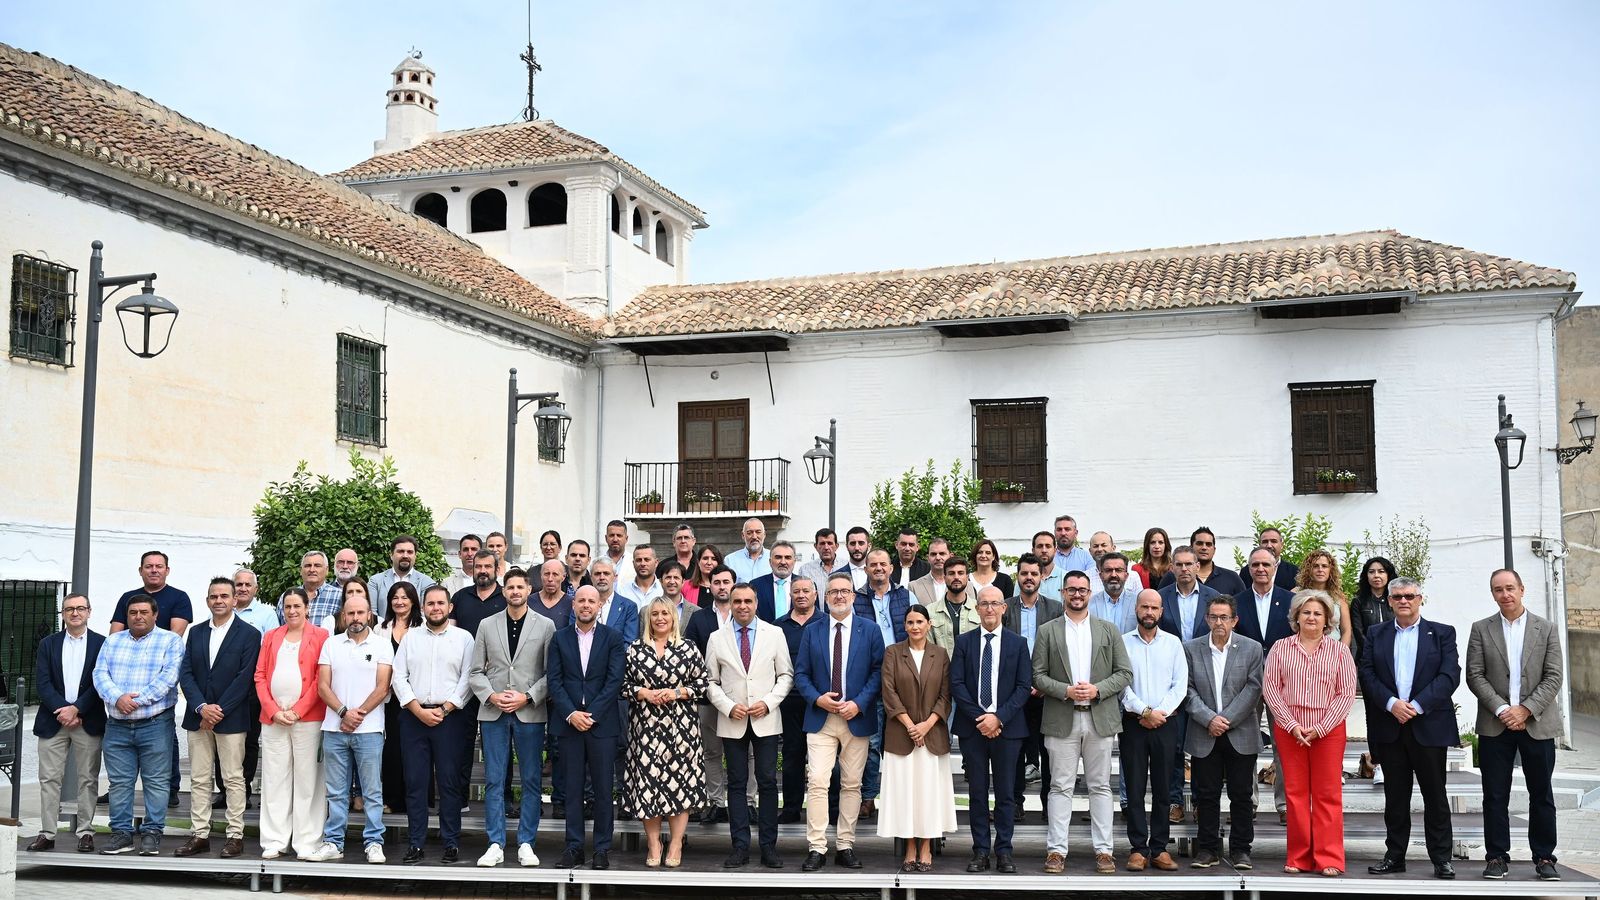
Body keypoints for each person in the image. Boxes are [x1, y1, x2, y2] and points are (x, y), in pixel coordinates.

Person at [1466, 568, 1564, 882]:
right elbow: (1475, 675)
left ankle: (1545, 857)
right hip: (1495, 724)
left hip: (1537, 723)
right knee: (1495, 795)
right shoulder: (1481, 629)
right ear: (1492, 594)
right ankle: (1496, 857)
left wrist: (1525, 710)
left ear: (1522, 589)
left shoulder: (1546, 628)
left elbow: (1554, 676)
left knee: (1541, 793)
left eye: (1510, 588)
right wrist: (1502, 709)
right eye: (1498, 589)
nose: (1505, 594)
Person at [1360, 577, 1459, 880]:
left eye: (1409, 596)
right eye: (1398, 596)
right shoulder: (1376, 633)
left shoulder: (1442, 633)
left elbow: (1449, 675)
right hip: (1390, 726)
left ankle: (1441, 859)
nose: (1404, 601)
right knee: (1395, 797)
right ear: (1389, 601)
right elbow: (1366, 673)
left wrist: (1416, 705)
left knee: (1435, 795)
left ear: (1420, 599)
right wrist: (1392, 704)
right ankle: (1395, 856)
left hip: (1428, 726)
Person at [1033, 570, 1132, 875]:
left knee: (1100, 786)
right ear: (1063, 593)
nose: (1077, 594)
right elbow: (1037, 676)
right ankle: (1056, 851)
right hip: (1061, 717)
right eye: (1072, 589)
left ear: (1090, 593)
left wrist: (1097, 689)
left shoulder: (1108, 630)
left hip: (1099, 717)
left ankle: (1104, 851)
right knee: (1059, 786)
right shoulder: (1047, 630)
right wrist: (1065, 690)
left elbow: (1124, 673)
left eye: (1082, 590)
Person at [1262, 589, 1356, 877]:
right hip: (1290, 731)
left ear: (1327, 619)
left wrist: (1321, 727)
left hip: (1328, 731)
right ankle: (1299, 856)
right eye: (1306, 612)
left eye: (1317, 613)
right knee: (1295, 795)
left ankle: (1329, 858)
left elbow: (1346, 693)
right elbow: (1271, 689)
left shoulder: (1339, 651)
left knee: (1328, 794)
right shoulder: (1280, 648)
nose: (1312, 617)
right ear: (1297, 617)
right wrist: (1292, 725)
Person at [795, 572, 885, 872]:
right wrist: (817, 698)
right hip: (821, 718)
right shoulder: (813, 631)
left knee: (851, 784)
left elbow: (878, 672)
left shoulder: (870, 630)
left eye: (845, 591)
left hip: (855, 718)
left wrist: (858, 703)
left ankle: (845, 845)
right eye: (833, 591)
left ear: (854, 596)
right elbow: (801, 674)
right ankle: (817, 847)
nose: (839, 596)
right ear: (825, 597)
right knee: (818, 781)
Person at [470, 566, 556, 868]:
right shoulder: (486, 625)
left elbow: (551, 673)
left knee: (531, 780)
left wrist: (528, 696)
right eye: (511, 587)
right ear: (503, 591)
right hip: (493, 711)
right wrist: (492, 696)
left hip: (529, 711)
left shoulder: (545, 625)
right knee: (494, 780)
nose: (516, 591)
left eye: (521, 587)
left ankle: (526, 843)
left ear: (529, 590)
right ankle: (495, 843)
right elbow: (475, 672)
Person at [705, 584, 792, 869]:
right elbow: (710, 681)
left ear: (756, 603)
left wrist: (768, 702)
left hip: (765, 718)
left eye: (748, 601)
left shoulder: (774, 634)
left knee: (767, 782)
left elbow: (785, 675)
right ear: (730, 604)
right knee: (737, 783)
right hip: (733, 720)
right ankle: (740, 847)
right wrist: (728, 706)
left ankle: (768, 847)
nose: (742, 606)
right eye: (737, 601)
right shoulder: (717, 638)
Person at [304, 590, 393, 864]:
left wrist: (358, 714)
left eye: (360, 612)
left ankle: (374, 842)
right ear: (343, 616)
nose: (356, 617)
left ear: (369, 616)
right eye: (350, 613)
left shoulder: (382, 645)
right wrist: (344, 712)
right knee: (336, 792)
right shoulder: (331, 644)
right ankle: (334, 842)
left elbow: (383, 687)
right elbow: (322, 686)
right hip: (335, 728)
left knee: (372, 791)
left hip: (369, 730)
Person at [175, 576, 261, 859]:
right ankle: (199, 834)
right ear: (207, 600)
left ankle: (235, 836)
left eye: (224, 596)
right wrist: (201, 707)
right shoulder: (196, 632)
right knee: (199, 779)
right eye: (214, 596)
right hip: (198, 718)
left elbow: (244, 679)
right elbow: (186, 673)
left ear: (235, 599)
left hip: (231, 718)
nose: (219, 601)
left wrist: (217, 711)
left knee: (234, 778)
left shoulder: (249, 634)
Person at [94, 592, 184, 855]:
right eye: (133, 613)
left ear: (155, 615)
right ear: (127, 616)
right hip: (117, 725)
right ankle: (121, 834)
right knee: (119, 783)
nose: (138, 617)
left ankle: (152, 833)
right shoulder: (113, 641)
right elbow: (99, 674)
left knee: (156, 782)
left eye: (144, 612)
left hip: (155, 724)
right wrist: (117, 698)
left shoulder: (170, 641)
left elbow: (169, 677)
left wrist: (136, 701)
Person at [619, 596, 706, 868]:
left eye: (665, 614)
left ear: (673, 618)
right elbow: (621, 684)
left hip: (681, 729)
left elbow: (703, 683)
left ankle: (676, 843)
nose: (660, 618)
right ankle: (654, 843)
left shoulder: (688, 648)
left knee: (679, 785)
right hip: (645, 728)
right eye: (655, 614)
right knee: (648, 785)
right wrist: (643, 692)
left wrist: (677, 692)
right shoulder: (635, 649)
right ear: (648, 618)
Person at [949, 585, 1031, 874]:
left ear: (1004, 608)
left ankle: (1004, 851)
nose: (989, 609)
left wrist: (998, 718)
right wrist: (982, 718)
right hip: (973, 729)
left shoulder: (1018, 644)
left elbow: (1023, 686)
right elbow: (956, 684)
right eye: (984, 603)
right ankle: (980, 851)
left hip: (1007, 730)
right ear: (977, 608)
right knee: (977, 792)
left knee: (1006, 794)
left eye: (995, 603)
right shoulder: (964, 642)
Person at [392, 584, 475, 865]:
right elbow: (398, 676)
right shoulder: (411, 638)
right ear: (423, 608)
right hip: (414, 718)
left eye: (441, 603)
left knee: (449, 783)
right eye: (430, 603)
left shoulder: (464, 639)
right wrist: (417, 709)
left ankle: (451, 843)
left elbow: (468, 677)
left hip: (450, 718)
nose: (436, 608)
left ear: (449, 607)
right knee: (416, 783)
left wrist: (446, 707)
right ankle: (416, 843)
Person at [549, 585, 627, 870]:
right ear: (573, 605)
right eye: (580, 600)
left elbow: (614, 680)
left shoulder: (613, 638)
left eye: (591, 601)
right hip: (569, 724)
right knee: (572, 789)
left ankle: (602, 849)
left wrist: (591, 714)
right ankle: (574, 847)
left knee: (604, 790)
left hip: (601, 724)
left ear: (599, 606)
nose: (585, 605)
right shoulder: (559, 638)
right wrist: (572, 714)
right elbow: (554, 681)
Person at [1183, 595, 1263, 871]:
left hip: (1240, 732)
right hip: (1204, 732)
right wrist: (1209, 719)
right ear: (1207, 619)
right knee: (1206, 795)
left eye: (1224, 617)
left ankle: (1241, 850)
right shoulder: (1191, 649)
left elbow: (1254, 688)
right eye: (1214, 617)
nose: (1219, 622)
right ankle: (1208, 849)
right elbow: (1187, 689)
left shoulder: (1252, 648)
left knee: (1241, 795)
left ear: (1234, 620)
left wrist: (1225, 720)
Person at [109, 551, 191, 810]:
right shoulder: (128, 598)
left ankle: (171, 787)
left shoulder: (179, 597)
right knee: (121, 757)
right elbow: (114, 635)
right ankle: (119, 790)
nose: (154, 570)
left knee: (166, 740)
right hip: (124, 682)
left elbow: (175, 635)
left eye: (159, 566)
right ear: (140, 570)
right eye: (148, 566)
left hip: (158, 680)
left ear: (167, 570)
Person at [877, 603, 955, 873]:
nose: (915, 627)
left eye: (920, 622)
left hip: (932, 736)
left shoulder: (940, 654)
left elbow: (946, 695)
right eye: (910, 622)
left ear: (929, 624)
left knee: (928, 794)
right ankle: (910, 847)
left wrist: (927, 725)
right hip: (902, 735)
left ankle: (926, 847)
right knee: (905, 794)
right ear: (904, 626)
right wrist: (911, 726)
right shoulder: (893, 653)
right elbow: (889, 692)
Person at [253, 587, 328, 861]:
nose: (292, 611)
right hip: (274, 719)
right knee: (275, 778)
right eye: (288, 606)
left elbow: (321, 679)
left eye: (297, 606)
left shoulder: (321, 636)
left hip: (307, 718)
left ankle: (307, 840)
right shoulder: (271, 636)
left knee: (308, 780)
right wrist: (273, 710)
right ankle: (275, 839)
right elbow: (260, 675)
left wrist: (297, 710)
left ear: (307, 608)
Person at [1117, 589, 1187, 872]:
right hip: (1133, 723)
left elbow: (1180, 685)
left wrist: (1159, 713)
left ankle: (1159, 849)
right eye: (1144, 607)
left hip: (1165, 724)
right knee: (1134, 790)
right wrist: (1144, 711)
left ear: (1161, 612)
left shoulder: (1173, 643)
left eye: (1154, 608)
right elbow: (1121, 684)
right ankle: (1137, 849)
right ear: (1136, 609)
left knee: (1163, 789)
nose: (1149, 612)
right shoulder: (1123, 642)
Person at [30, 592, 105, 854]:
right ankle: (47, 833)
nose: (75, 613)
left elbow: (100, 682)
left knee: (88, 779)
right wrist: (63, 710)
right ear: (63, 614)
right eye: (69, 609)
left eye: (80, 608)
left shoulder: (101, 643)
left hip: (88, 719)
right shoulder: (48, 644)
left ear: (89, 612)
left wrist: (77, 708)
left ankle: (85, 832)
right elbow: (42, 682)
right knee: (49, 779)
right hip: (53, 721)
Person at [1156, 544, 1222, 824]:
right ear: (1172, 567)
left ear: (1198, 566)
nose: (1184, 569)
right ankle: (1174, 800)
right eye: (1179, 564)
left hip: (1204, 676)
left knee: (1201, 744)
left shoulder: (1213, 597)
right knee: (1173, 744)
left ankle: (1199, 800)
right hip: (1168, 678)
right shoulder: (1160, 597)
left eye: (1188, 564)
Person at [1235, 545, 1295, 821]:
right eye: (1255, 565)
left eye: (1266, 564)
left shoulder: (1291, 601)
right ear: (1249, 569)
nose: (1260, 569)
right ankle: (1248, 803)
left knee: (1283, 744)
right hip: (1246, 681)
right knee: (1246, 744)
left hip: (1283, 682)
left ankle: (1285, 805)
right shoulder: (1237, 601)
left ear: (1275, 567)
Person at [1002, 552, 1061, 821]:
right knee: (1014, 750)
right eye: (1024, 573)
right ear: (1018, 576)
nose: (1029, 578)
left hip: (1046, 692)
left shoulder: (1055, 609)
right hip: (1014, 692)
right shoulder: (1005, 607)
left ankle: (1049, 804)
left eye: (1034, 574)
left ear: (1041, 577)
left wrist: (1043, 683)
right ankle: (1015, 802)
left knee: (1048, 751)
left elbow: (1059, 651)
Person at [855, 548, 909, 818]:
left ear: (891, 568)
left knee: (902, 740)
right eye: (873, 564)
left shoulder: (905, 596)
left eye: (883, 564)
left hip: (902, 676)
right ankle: (868, 797)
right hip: (872, 675)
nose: (878, 568)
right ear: (866, 569)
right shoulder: (857, 599)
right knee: (873, 743)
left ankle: (902, 798)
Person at [685, 565, 737, 823]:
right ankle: (716, 802)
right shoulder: (699, 618)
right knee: (711, 751)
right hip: (708, 697)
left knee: (746, 754)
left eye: (726, 582)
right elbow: (691, 655)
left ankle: (748, 803)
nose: (722, 586)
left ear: (734, 585)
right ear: (710, 586)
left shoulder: (746, 613)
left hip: (741, 699)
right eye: (717, 582)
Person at [777, 576, 821, 823]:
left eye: (806, 590)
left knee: (821, 759)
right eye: (796, 591)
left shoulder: (826, 622)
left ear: (815, 594)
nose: (801, 595)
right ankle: (791, 808)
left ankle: (825, 809)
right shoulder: (778, 627)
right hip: (789, 701)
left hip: (819, 702)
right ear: (791, 595)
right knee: (792, 755)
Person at [377, 580, 420, 815]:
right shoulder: (380, 628)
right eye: (395, 597)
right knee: (392, 748)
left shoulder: (422, 627)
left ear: (413, 601)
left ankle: (415, 800)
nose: (399, 601)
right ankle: (392, 799)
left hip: (415, 698)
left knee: (414, 749)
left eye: (404, 597)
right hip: (389, 698)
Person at [368, 535, 437, 620]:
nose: (405, 556)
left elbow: (425, 615)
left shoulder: (427, 583)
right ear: (391, 555)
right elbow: (371, 613)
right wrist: (385, 627)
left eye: (410, 552)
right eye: (400, 551)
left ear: (415, 556)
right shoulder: (375, 581)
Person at [1161, 527, 1245, 596]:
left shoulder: (1231, 578)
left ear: (1214, 550)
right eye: (1199, 543)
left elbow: (1243, 604)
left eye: (1208, 544)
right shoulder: (1172, 576)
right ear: (1191, 547)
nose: (1204, 548)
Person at [1295, 549, 1352, 647]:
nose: (1320, 570)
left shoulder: (1339, 597)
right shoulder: (1296, 594)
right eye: (1315, 566)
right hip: (1302, 650)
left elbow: (1346, 630)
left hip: (1333, 651)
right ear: (1308, 569)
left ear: (1330, 570)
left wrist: (1341, 652)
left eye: (1324, 566)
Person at [926, 553, 980, 654]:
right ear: (944, 577)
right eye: (951, 573)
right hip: (942, 664)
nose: (956, 577)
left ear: (967, 577)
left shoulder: (979, 609)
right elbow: (928, 649)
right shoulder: (930, 611)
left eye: (960, 573)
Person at [450, 549, 506, 638]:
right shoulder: (459, 597)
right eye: (478, 566)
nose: (482, 571)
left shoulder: (506, 597)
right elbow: (451, 631)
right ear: (473, 570)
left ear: (497, 570)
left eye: (487, 566)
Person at [590, 558, 642, 642]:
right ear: (591, 577)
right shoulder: (580, 604)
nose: (602, 577)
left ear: (615, 577)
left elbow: (629, 641)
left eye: (606, 573)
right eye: (597, 574)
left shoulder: (628, 607)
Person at [1088, 552, 1140, 633]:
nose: (1113, 575)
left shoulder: (1138, 602)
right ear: (1101, 576)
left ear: (1126, 576)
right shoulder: (1089, 604)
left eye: (1118, 570)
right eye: (1108, 570)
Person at [750, 540, 799, 623]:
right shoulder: (755, 585)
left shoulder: (806, 585)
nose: (783, 562)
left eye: (787, 557)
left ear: (794, 562)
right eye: (778, 557)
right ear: (770, 562)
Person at [299, 551, 346, 631]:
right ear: (301, 570)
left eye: (317, 566)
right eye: (308, 566)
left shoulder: (339, 596)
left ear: (326, 570)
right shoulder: (289, 596)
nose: (312, 569)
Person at [906, 538, 954, 608]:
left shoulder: (965, 585)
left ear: (951, 556)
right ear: (927, 558)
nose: (938, 558)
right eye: (933, 554)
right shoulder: (914, 587)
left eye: (942, 554)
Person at [616, 544, 663, 610]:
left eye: (647, 560)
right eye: (639, 560)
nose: (643, 564)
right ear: (633, 563)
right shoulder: (622, 590)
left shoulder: (663, 589)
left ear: (656, 563)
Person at [727, 518, 773, 582]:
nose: (754, 537)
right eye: (749, 533)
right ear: (743, 535)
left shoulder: (773, 558)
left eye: (758, 532)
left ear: (764, 534)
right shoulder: (730, 560)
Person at [533, 558, 574, 627]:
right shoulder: (529, 602)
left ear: (563, 577)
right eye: (546, 574)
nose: (550, 579)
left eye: (555, 574)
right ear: (541, 575)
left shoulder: (571, 604)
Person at [1133, 528, 1172, 595]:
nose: (1157, 546)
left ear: (1166, 545)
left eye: (1160, 542)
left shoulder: (1173, 567)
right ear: (1147, 545)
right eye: (1152, 542)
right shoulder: (1137, 569)